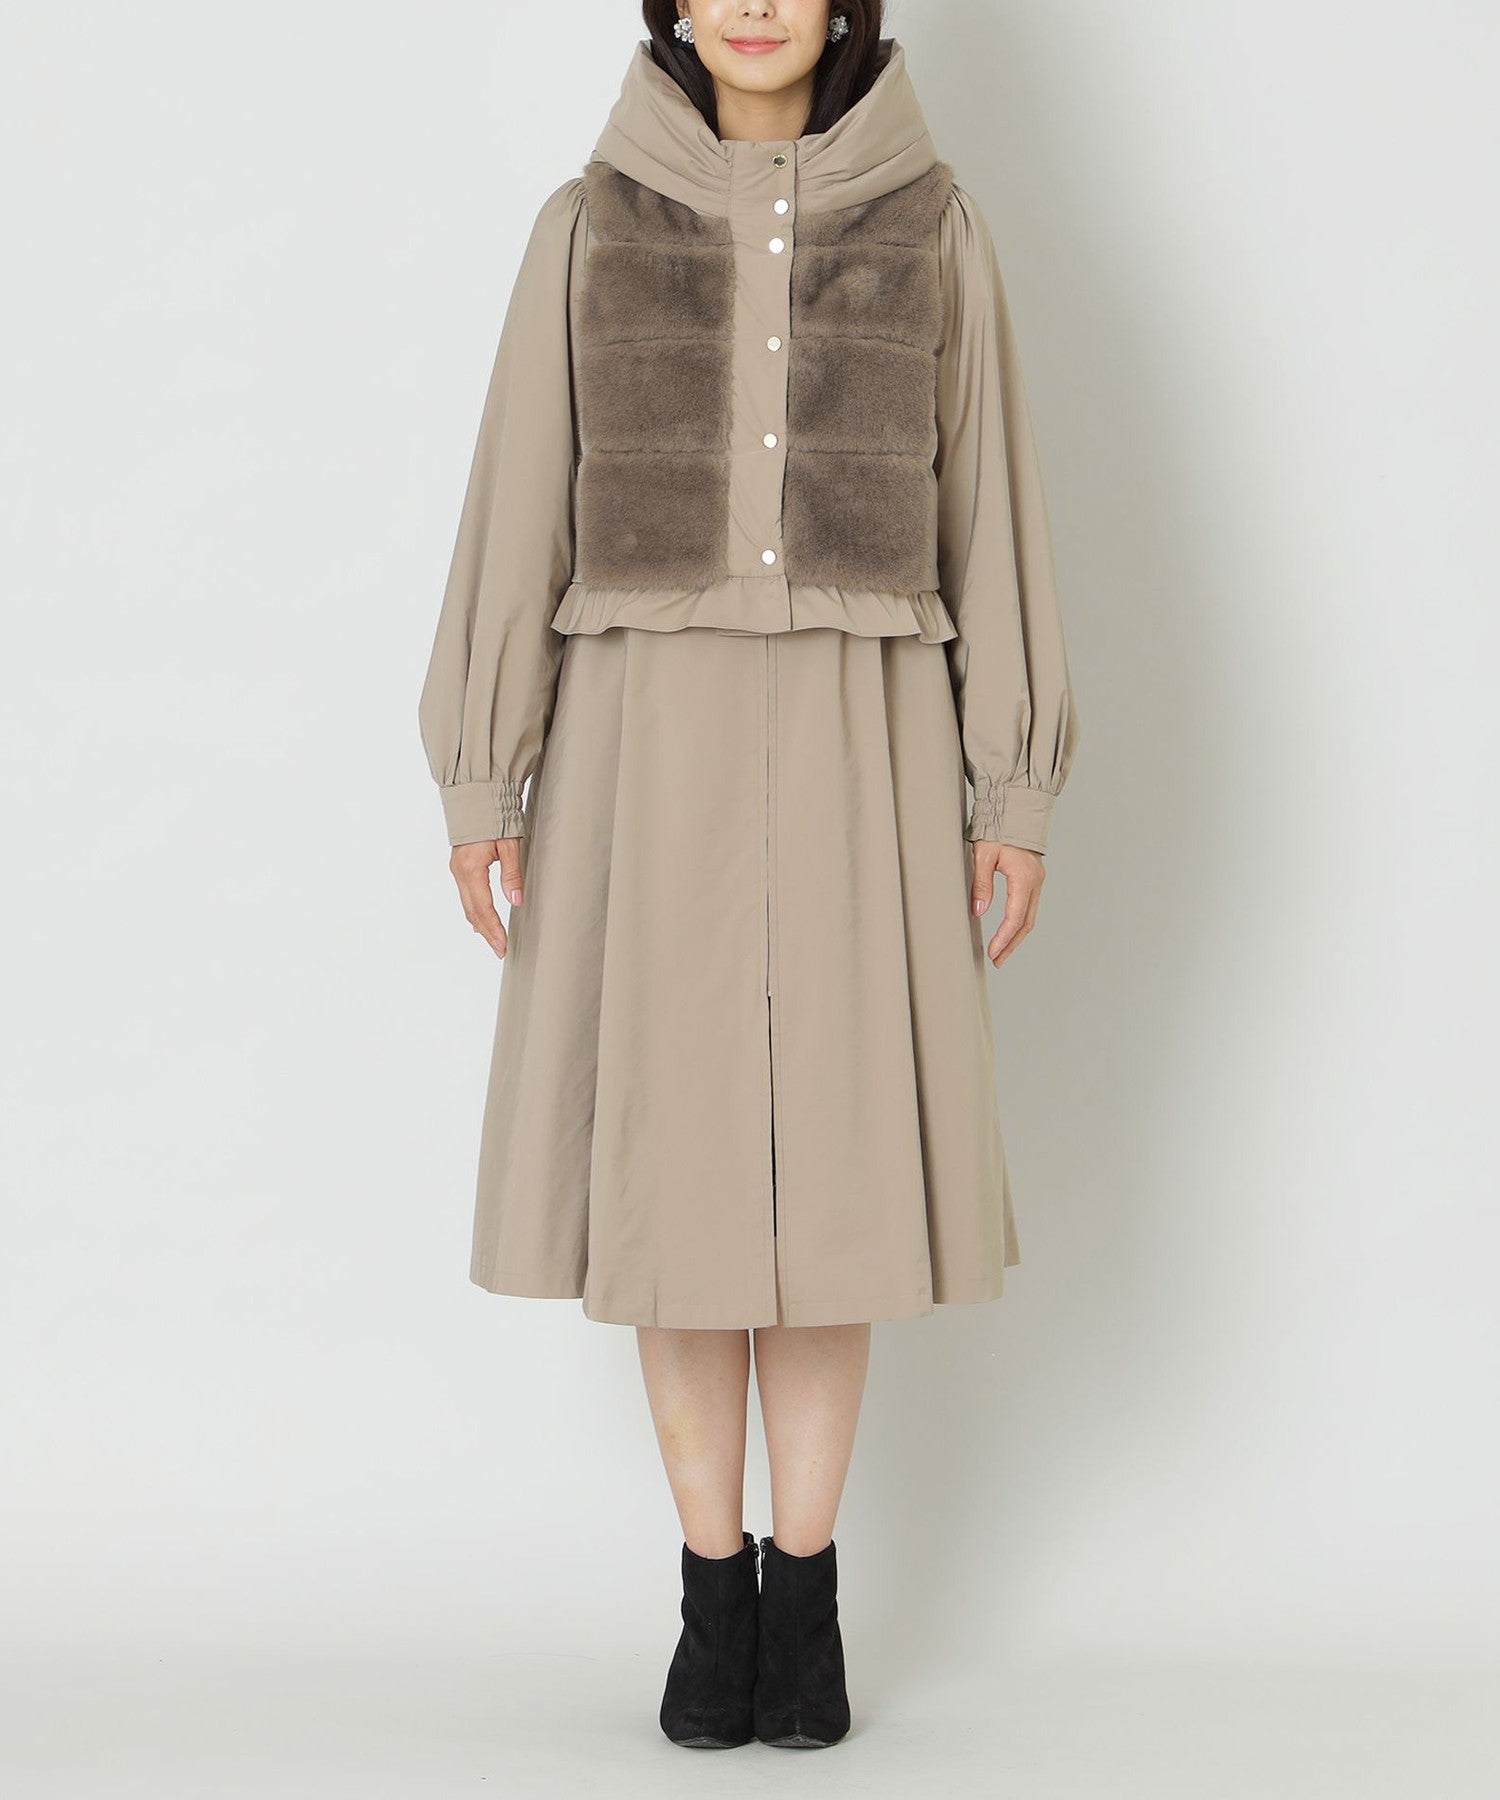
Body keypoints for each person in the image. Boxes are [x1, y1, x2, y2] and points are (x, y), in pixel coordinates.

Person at [418, 0, 1080, 1750]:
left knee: (836, 1193)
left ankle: (811, 1596)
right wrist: (484, 769)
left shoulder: (938, 230)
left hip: (867, 742)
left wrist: (1012, 788)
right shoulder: (584, 230)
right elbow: (518, 506)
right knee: (678, 1192)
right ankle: (713, 1598)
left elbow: (993, 512)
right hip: (647, 751)